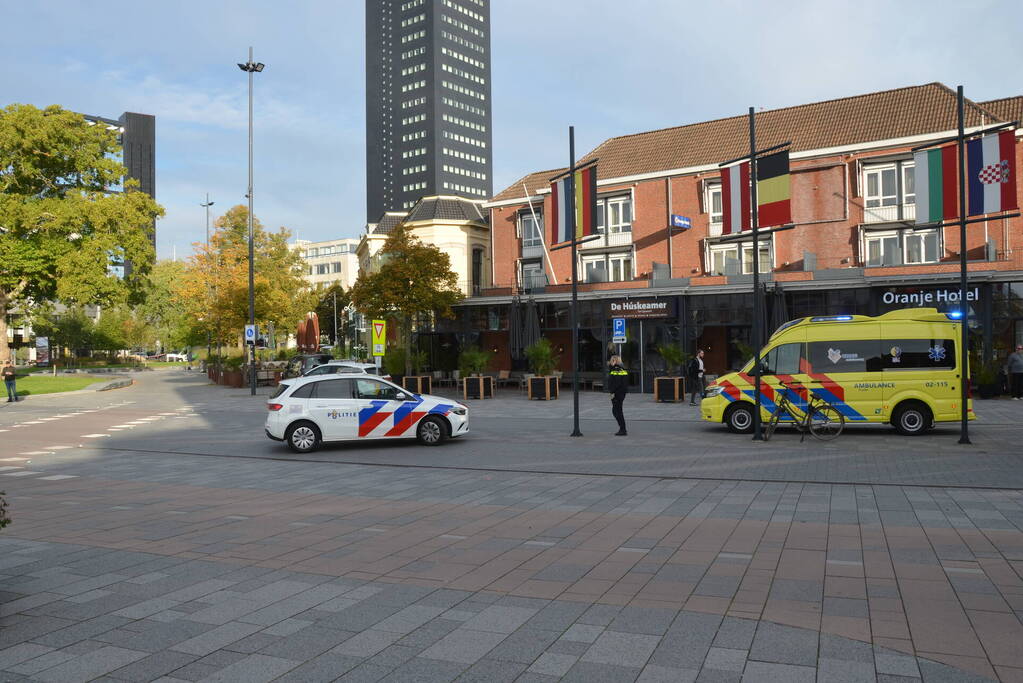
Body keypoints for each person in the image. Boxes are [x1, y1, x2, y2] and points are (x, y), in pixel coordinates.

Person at [607, 355, 629, 436]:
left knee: (617, 411)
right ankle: (622, 428)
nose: (610, 362)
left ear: (614, 361)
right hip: (621, 393)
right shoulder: (622, 369)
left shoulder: (616, 370)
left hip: (617, 393)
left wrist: (612, 392)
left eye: (611, 360)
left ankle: (623, 429)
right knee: (617, 410)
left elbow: (616, 383)